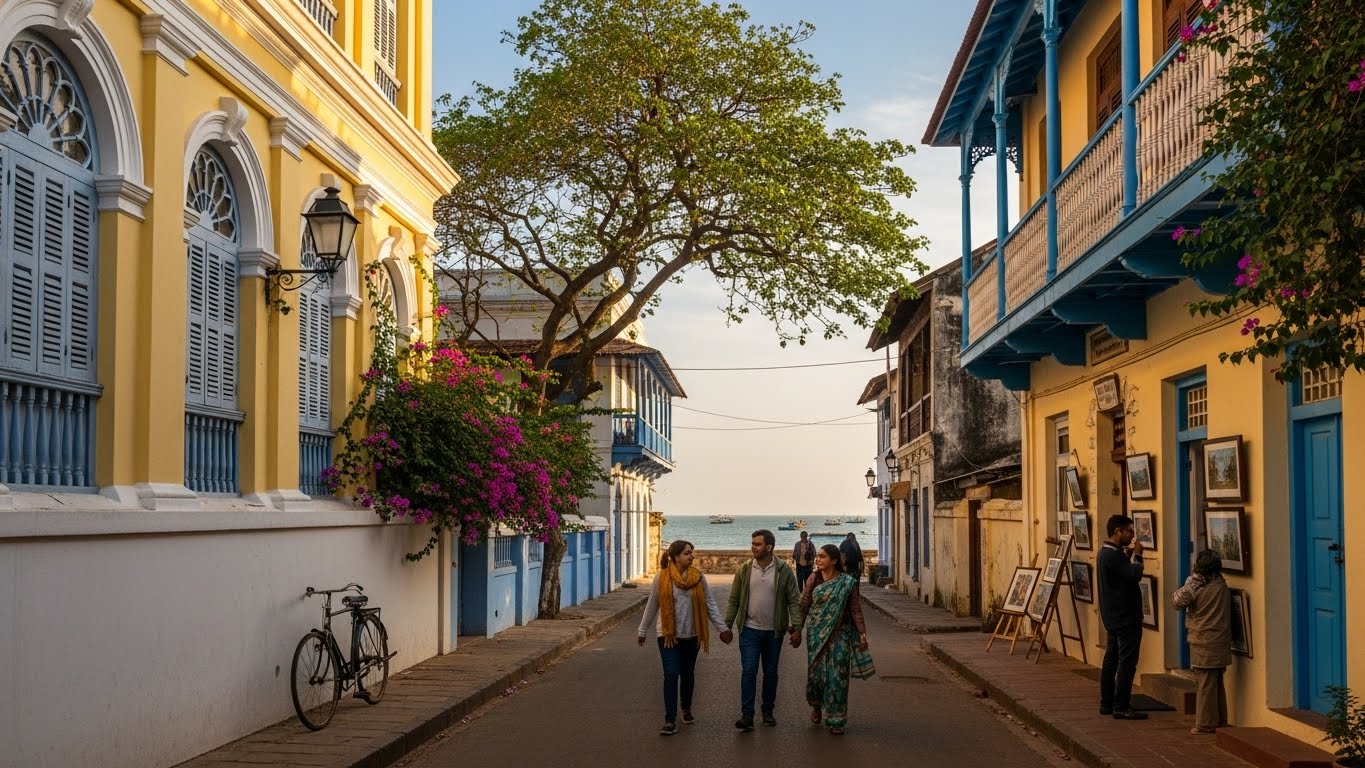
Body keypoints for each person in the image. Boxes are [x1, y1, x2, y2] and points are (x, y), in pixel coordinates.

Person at [638, 540, 734, 736]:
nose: (691, 556)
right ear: (675, 557)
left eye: (692, 553)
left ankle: (686, 707)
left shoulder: (698, 578)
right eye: (687, 553)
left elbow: (710, 604)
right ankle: (669, 719)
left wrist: (722, 628)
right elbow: (652, 605)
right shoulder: (661, 577)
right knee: (671, 674)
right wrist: (642, 630)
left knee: (687, 674)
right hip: (667, 636)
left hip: (692, 635)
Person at [726, 529, 805, 731]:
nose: (753, 547)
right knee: (749, 671)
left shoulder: (783, 571)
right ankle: (747, 715)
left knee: (770, 673)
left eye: (757, 544)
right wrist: (725, 626)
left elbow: (794, 601)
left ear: (769, 547)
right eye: (752, 543)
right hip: (749, 630)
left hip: (773, 632)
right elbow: (734, 600)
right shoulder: (744, 569)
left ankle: (767, 711)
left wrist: (797, 628)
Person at [801, 543, 874, 735]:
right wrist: (796, 630)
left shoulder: (847, 582)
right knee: (817, 676)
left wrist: (862, 632)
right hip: (816, 635)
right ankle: (817, 706)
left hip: (840, 634)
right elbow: (804, 605)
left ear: (834, 561)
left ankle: (836, 719)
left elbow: (855, 609)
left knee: (837, 675)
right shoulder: (813, 579)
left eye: (822, 556)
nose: (818, 559)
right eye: (817, 556)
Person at [1172, 549, 1232, 735]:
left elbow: (1176, 602)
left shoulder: (1199, 588)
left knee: (1205, 684)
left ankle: (1205, 723)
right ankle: (1219, 719)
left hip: (1203, 641)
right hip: (1220, 640)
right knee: (1216, 682)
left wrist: (1191, 582)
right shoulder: (1221, 585)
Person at [1097, 514, 1147, 720]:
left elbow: (1120, 576)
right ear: (1118, 532)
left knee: (1112, 658)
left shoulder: (1107, 553)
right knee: (1126, 661)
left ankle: (1107, 703)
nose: (1132, 536)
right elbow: (1134, 575)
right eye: (1129, 532)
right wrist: (1138, 555)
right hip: (1125, 617)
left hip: (1112, 615)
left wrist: (1127, 556)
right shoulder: (1112, 555)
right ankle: (1121, 705)